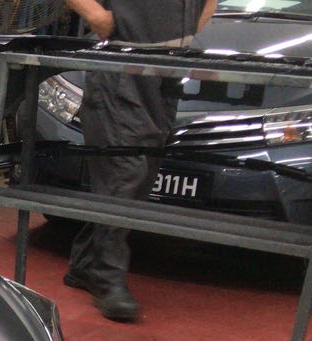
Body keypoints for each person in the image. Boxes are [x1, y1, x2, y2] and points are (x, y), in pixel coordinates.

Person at [62, 0, 217, 322]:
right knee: (126, 171)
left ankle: (87, 263)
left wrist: (192, 25)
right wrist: (94, 13)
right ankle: (106, 277)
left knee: (143, 174)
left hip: (168, 68)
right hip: (122, 64)